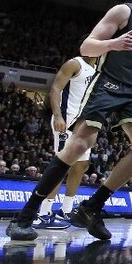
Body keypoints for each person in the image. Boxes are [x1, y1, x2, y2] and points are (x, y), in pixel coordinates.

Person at [6, 0, 132, 241]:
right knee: (78, 146)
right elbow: (87, 46)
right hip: (106, 85)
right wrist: (113, 43)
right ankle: (26, 214)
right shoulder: (124, 11)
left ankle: (91, 207)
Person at [34, 54, 98, 229]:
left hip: (83, 124)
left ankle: (66, 210)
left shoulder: (97, 69)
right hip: (66, 121)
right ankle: (44, 214)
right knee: (61, 167)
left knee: (82, 165)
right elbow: (55, 89)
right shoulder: (74, 64)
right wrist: (57, 115)